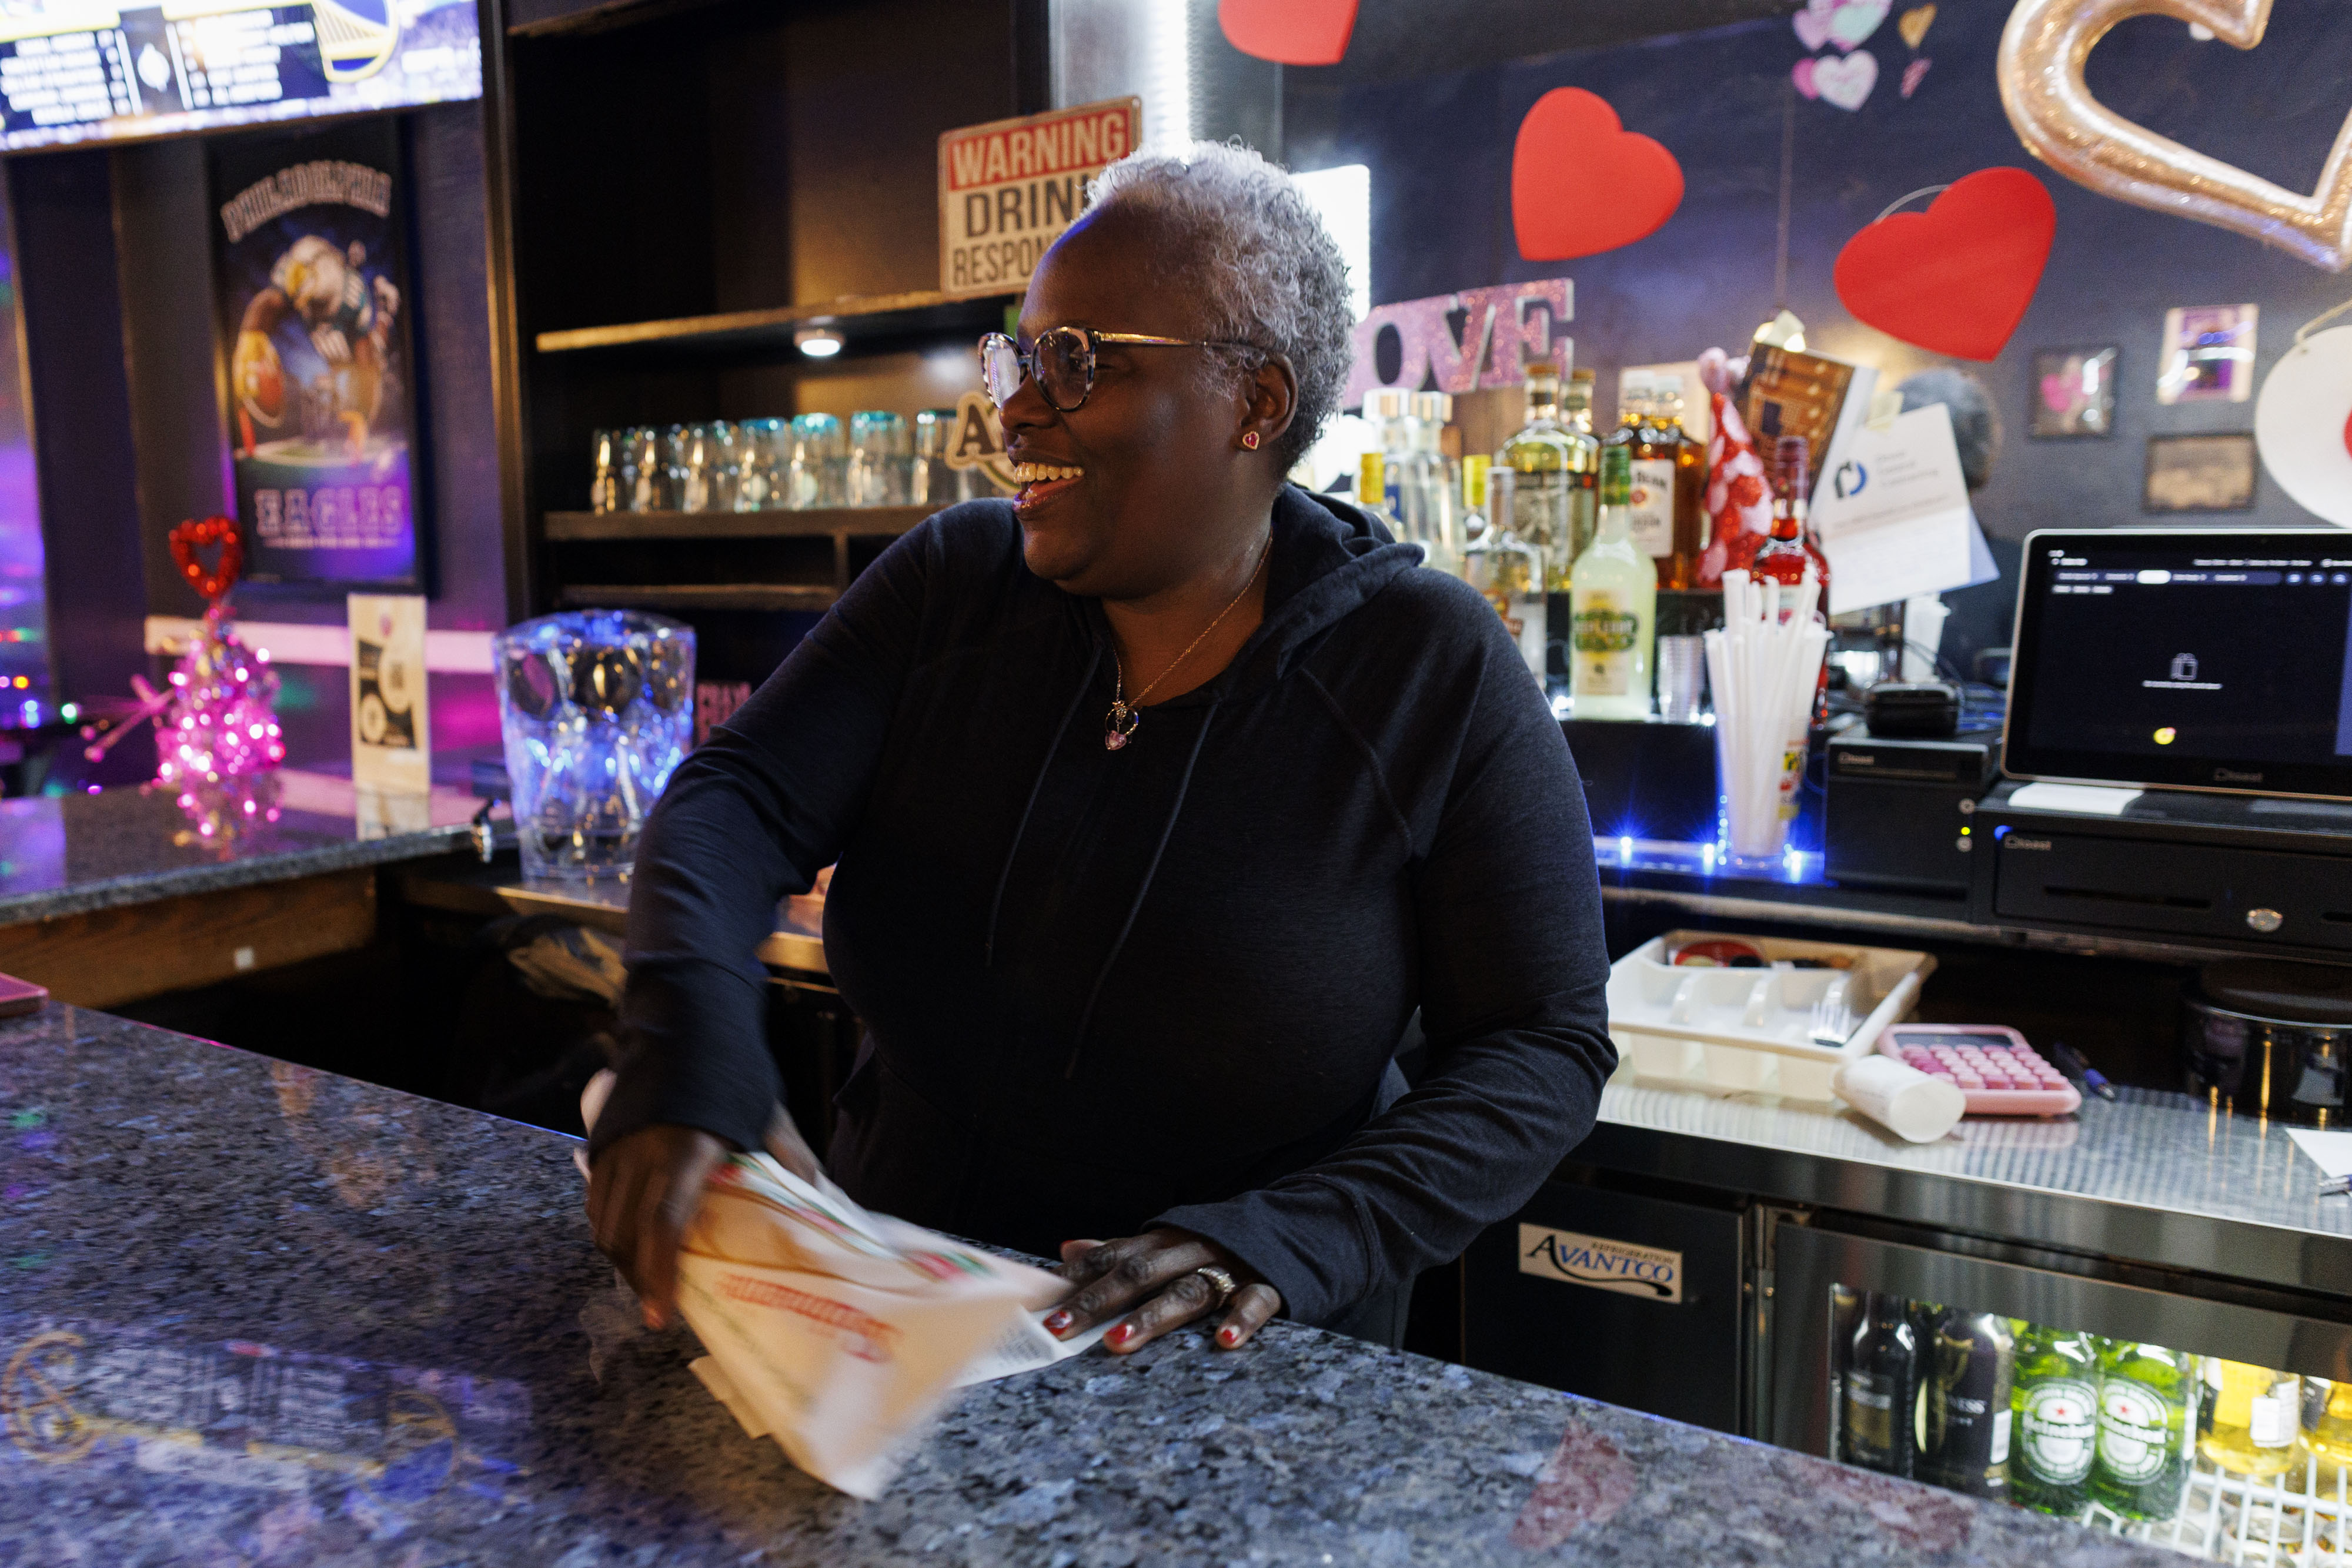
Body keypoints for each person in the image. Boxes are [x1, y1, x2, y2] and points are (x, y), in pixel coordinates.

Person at [586, 141, 1613, 1355]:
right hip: (891, 1314)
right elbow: (733, 794)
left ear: (1256, 402)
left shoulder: (1420, 665)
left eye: (1076, 362)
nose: (1015, 405)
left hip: (1226, 1358)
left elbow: (1541, 1043)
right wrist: (687, 1033)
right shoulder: (952, 583)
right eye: (1019, 356)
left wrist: (1291, 1234)